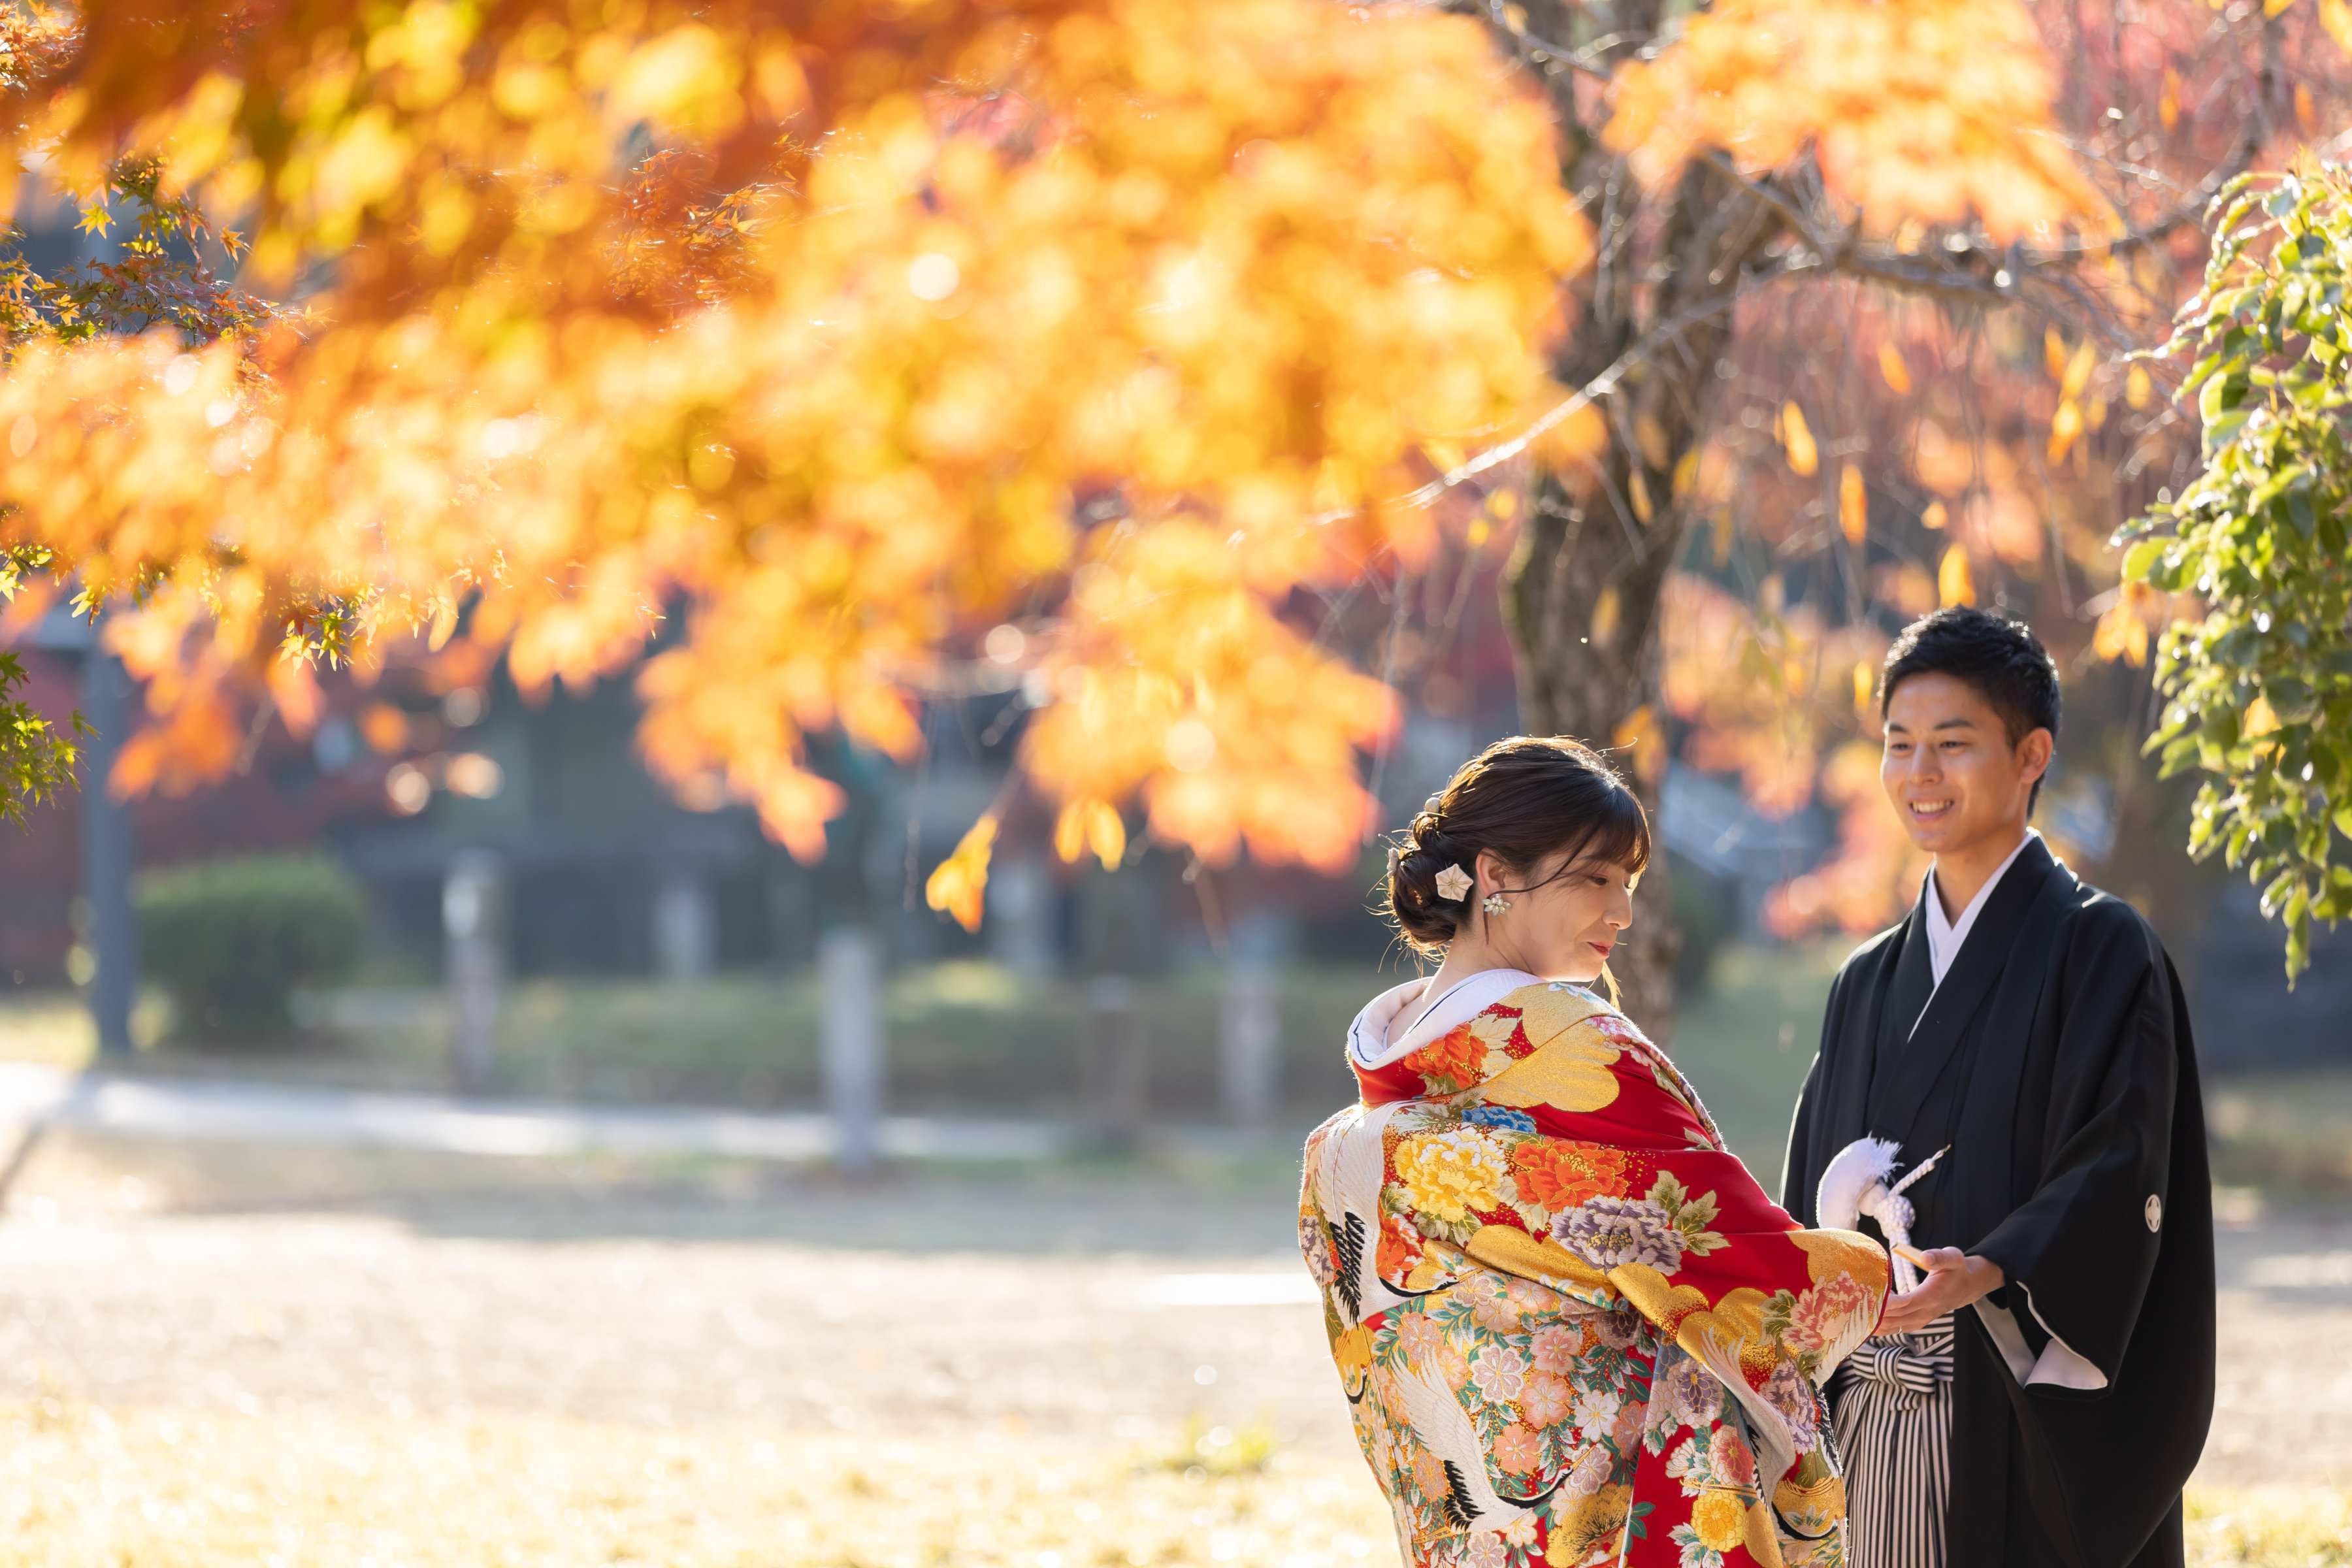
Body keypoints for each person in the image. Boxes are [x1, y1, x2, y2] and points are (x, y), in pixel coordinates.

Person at [1299, 736, 1894, 1568]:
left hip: (1477, 1522)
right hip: (1615, 1511)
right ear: (1496, 876)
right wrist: (1877, 1280)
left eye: (1629, 883)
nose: (1623, 913)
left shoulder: (1379, 1095)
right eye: (1596, 879)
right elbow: (1734, 1254)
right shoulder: (1582, 1054)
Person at [1780, 607, 2215, 1568]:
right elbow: (1812, 1182)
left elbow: (2121, 1160)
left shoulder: (2102, 948)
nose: (1919, 773)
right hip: (1867, 1407)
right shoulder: (1866, 979)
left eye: (1952, 743)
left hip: (2012, 1406)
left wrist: (1991, 1265)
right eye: (1899, 744)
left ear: (2031, 755)